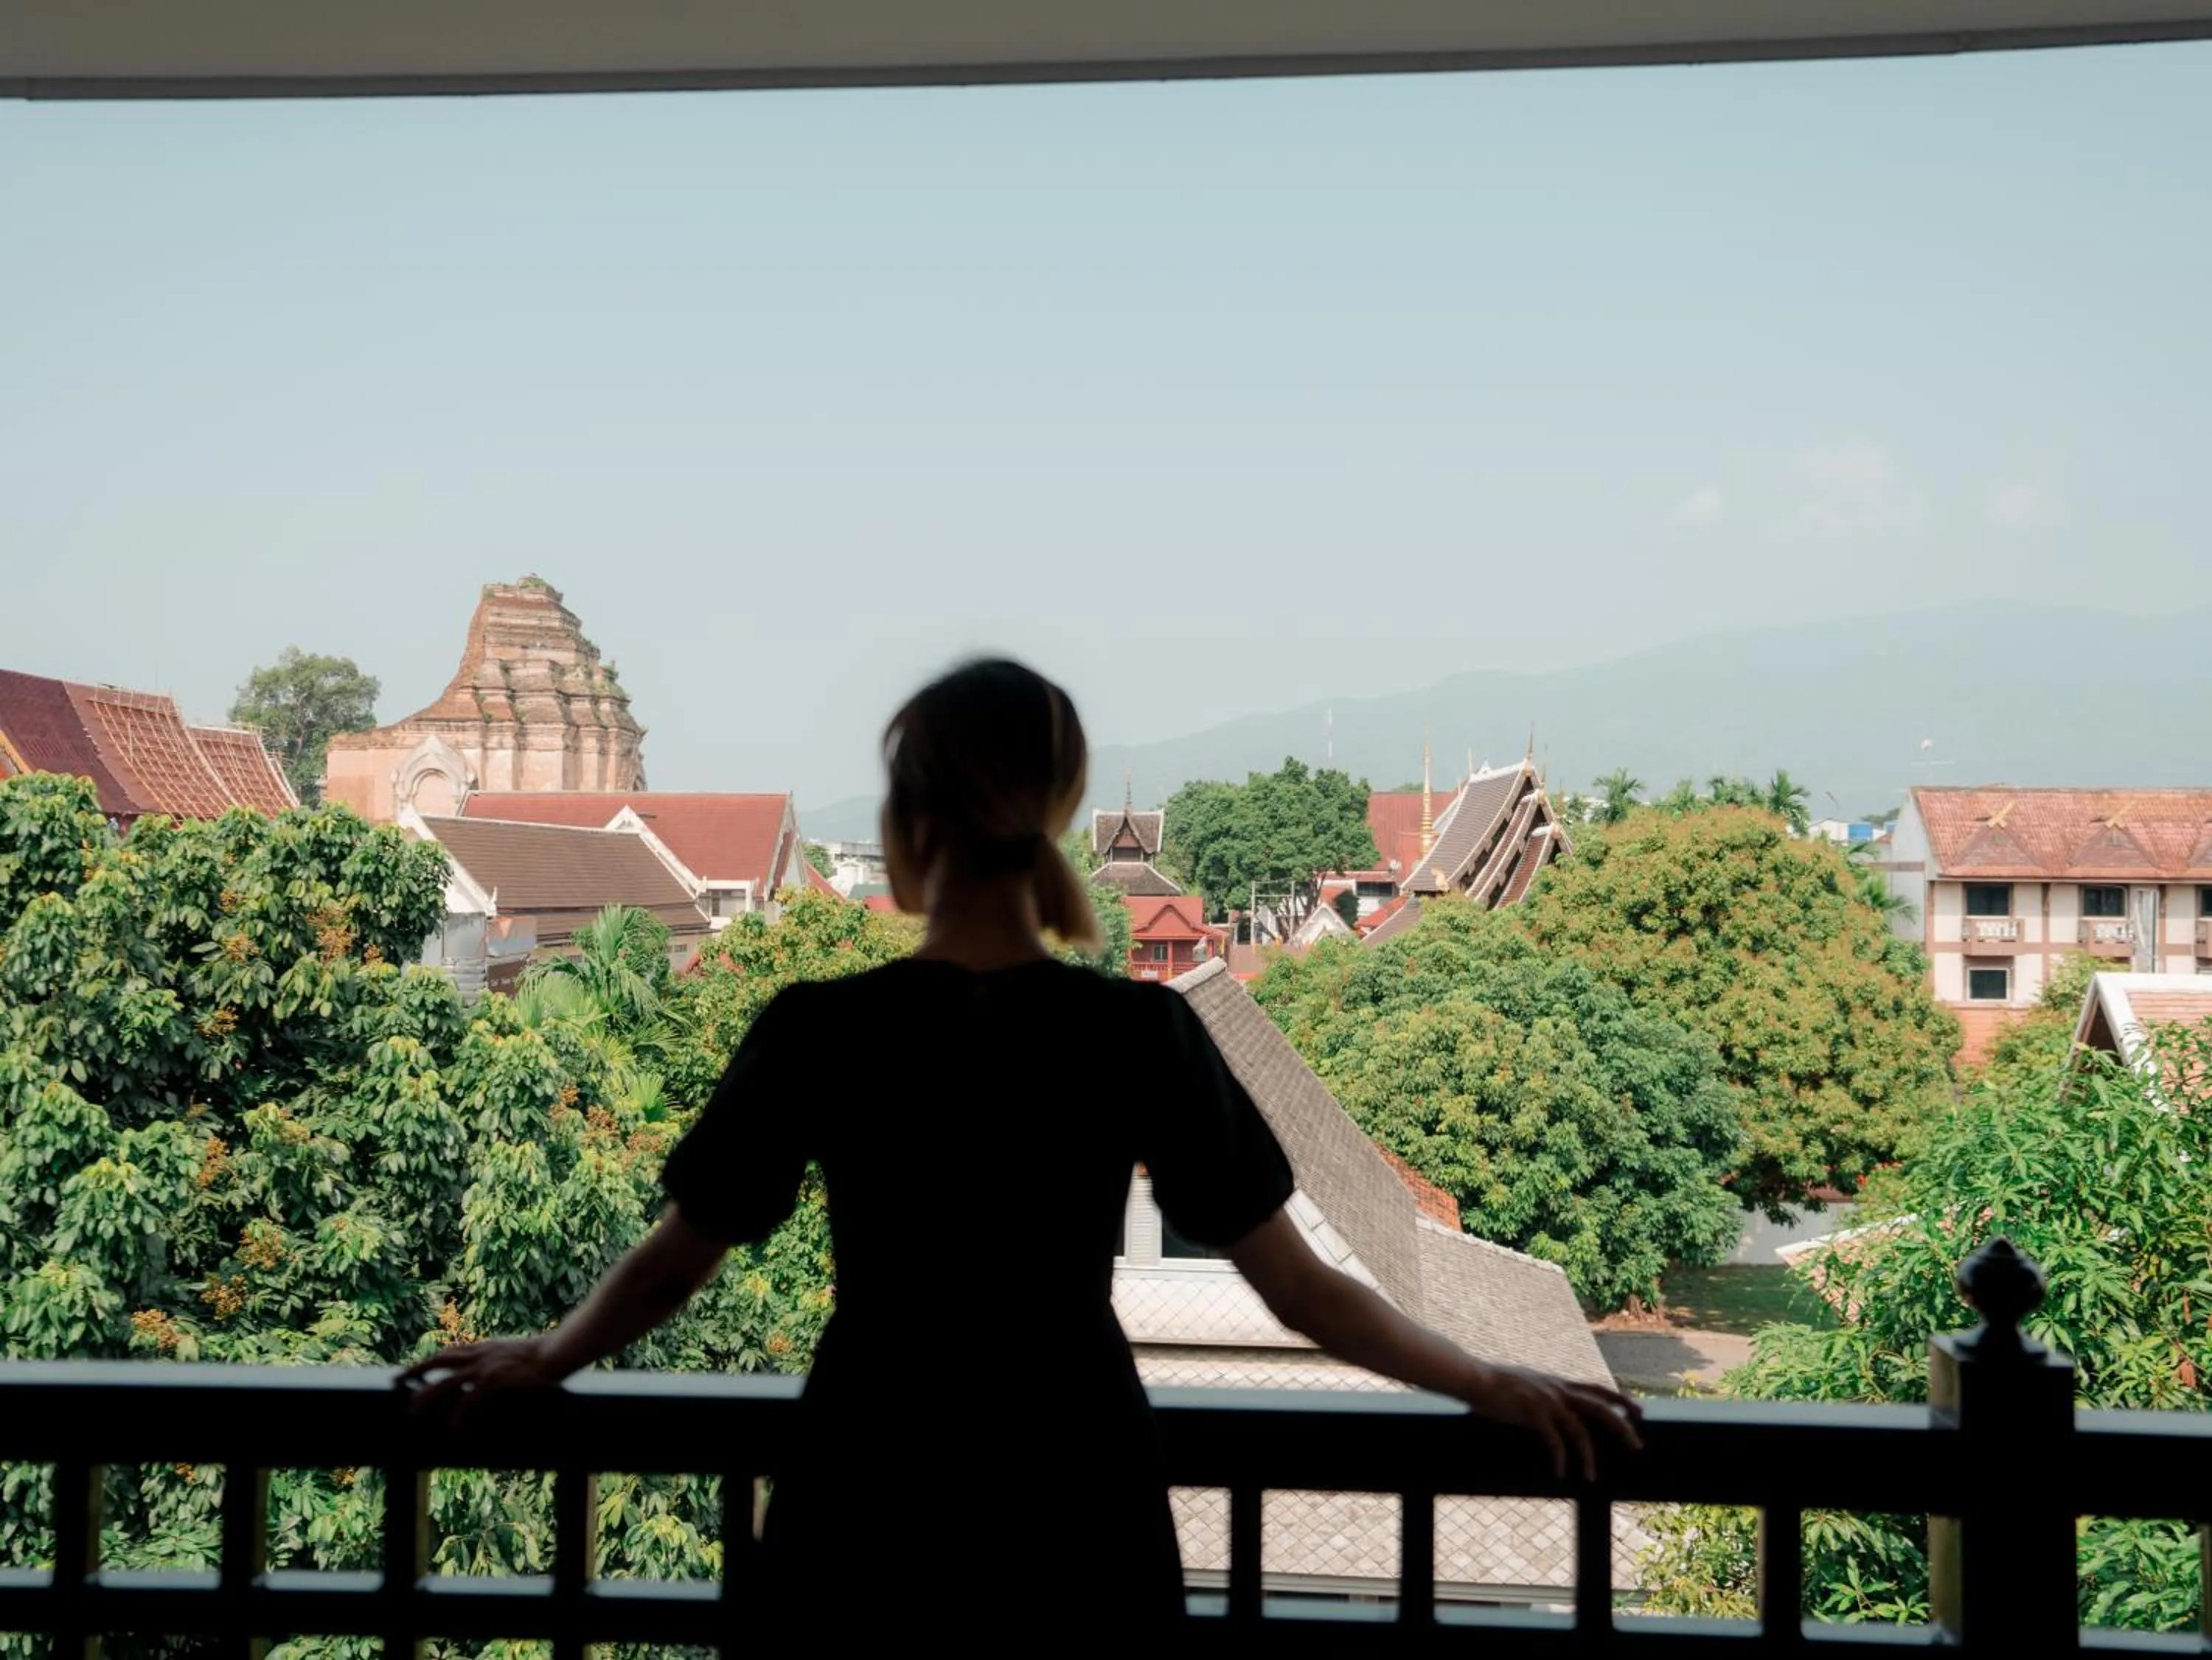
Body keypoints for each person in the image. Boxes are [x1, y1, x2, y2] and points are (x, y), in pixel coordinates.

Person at [403, 657, 1641, 1631]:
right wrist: (1487, 1380)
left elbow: (680, 1260)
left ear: (908, 819)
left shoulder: (826, 1031)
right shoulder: (1132, 1034)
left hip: (870, 1484)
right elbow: (1306, 1290)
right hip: (1071, 1486)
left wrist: (547, 1359)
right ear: (1054, 814)